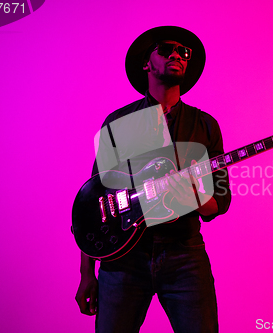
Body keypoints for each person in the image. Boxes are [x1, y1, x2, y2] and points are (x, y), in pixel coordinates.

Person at [75, 26, 232, 333]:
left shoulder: (205, 125)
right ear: (146, 64)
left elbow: (218, 204)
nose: (177, 55)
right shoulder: (119, 122)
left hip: (185, 256)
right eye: (166, 49)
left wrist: (193, 195)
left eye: (183, 52)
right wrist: (86, 274)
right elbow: (93, 202)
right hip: (123, 261)